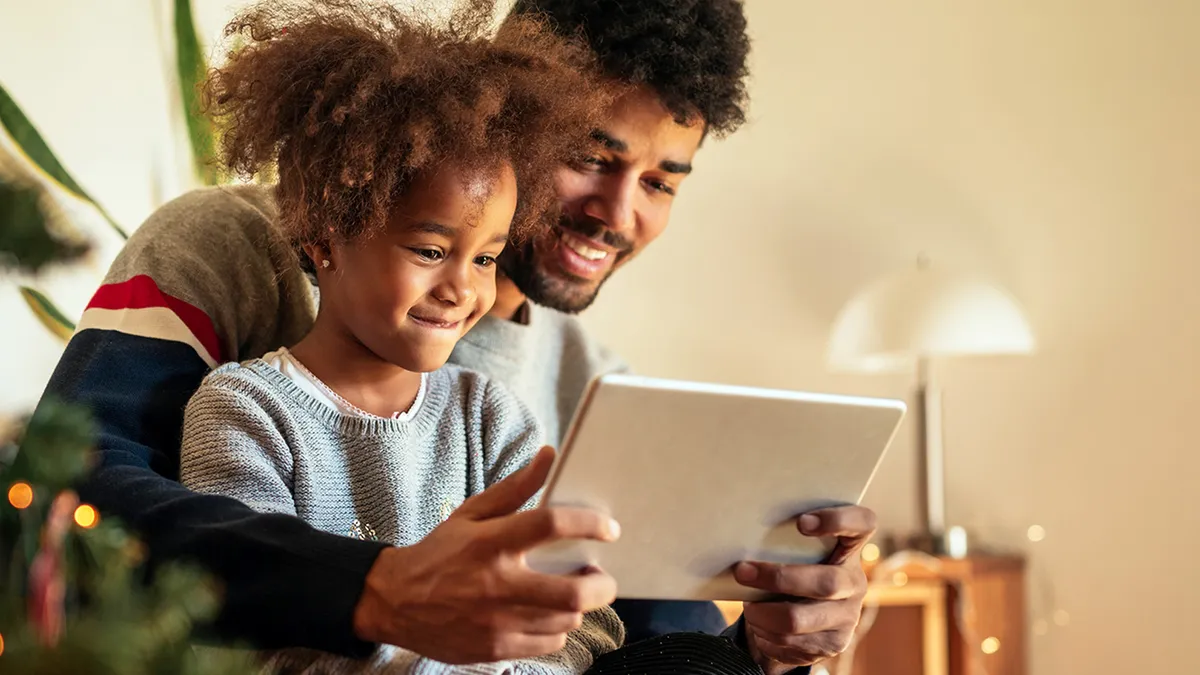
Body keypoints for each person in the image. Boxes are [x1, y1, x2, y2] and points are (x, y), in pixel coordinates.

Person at [42, 0, 875, 673]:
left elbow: (641, 645)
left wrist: (760, 645)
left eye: (660, 181)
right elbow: (62, 499)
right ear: (514, 116)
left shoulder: (594, 388)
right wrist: (372, 591)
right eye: (591, 155)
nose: (618, 215)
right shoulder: (230, 248)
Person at [177, 3, 623, 673]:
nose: (463, 288)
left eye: (485, 257)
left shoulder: (490, 419)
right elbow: (253, 634)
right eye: (429, 248)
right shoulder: (244, 411)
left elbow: (574, 626)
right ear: (325, 237)